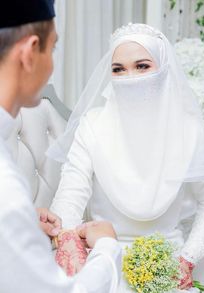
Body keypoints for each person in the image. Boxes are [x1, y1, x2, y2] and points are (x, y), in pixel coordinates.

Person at [48, 23, 204, 292]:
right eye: (118, 69)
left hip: (166, 261)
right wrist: (72, 246)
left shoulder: (188, 131)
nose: (129, 77)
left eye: (142, 66)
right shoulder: (93, 124)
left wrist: (186, 259)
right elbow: (70, 196)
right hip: (103, 255)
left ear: (164, 69)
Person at [0, 1, 121, 292]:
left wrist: (25, 224)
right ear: (30, 53)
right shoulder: (7, 193)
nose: (53, 65)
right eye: (53, 49)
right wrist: (107, 248)